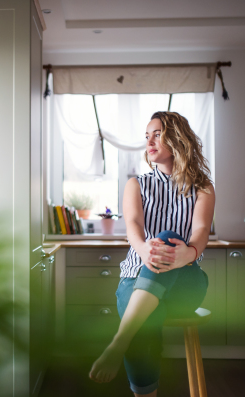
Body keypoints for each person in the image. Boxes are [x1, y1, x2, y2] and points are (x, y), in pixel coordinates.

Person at [89, 111, 215, 397]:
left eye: (157, 134)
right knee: (144, 320)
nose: (149, 141)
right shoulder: (137, 185)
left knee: (167, 238)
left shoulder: (203, 187)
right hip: (135, 277)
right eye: (147, 136)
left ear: (177, 138)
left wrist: (189, 253)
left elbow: (202, 231)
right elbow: (132, 226)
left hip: (186, 282)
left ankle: (119, 341)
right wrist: (145, 249)